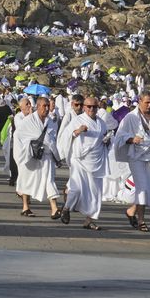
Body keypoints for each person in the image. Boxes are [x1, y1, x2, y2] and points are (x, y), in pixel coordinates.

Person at [114, 91, 150, 232]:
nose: (149, 105)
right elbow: (119, 136)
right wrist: (132, 139)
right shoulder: (130, 118)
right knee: (142, 187)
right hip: (136, 156)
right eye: (147, 102)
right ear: (139, 101)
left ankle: (131, 211)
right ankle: (141, 220)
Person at [60, 96, 108, 230]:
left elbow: (104, 137)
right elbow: (67, 136)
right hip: (79, 160)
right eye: (88, 107)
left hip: (96, 161)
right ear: (84, 107)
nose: (91, 109)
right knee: (75, 188)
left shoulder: (101, 123)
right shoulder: (78, 120)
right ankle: (66, 208)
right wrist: (78, 131)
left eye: (94, 107)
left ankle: (89, 220)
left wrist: (107, 141)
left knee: (96, 192)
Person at [13, 97, 62, 219]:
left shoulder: (50, 121)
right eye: (44, 106)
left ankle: (54, 209)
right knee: (26, 180)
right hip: (30, 156)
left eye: (47, 106)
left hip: (46, 156)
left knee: (49, 180)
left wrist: (57, 156)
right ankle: (25, 206)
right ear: (38, 106)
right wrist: (25, 150)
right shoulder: (28, 121)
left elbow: (52, 140)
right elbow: (18, 135)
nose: (46, 108)